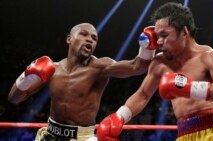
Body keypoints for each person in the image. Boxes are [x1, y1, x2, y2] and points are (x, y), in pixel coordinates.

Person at [96, 2, 213, 141]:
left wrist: (189, 88)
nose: (159, 42)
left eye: (164, 35)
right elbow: (143, 95)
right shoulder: (160, 63)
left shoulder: (210, 57)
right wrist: (119, 116)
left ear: (184, 32)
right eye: (157, 36)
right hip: (184, 134)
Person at [8, 23, 159, 141]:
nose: (90, 39)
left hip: (82, 137)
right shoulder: (53, 69)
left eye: (94, 38)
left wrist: (147, 46)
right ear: (69, 39)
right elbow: (14, 98)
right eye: (84, 34)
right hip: (50, 134)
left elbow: (137, 67)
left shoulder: (99, 67)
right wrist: (26, 76)